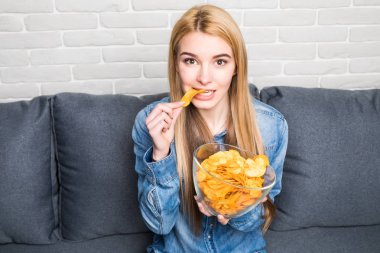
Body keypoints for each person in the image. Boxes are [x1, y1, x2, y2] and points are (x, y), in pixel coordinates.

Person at [132, 4, 288, 253]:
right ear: (175, 64)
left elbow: (260, 218)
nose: (204, 78)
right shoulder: (151, 123)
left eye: (220, 61)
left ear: (236, 66)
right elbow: (159, 225)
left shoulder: (270, 125)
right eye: (191, 60)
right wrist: (161, 155)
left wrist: (232, 211)